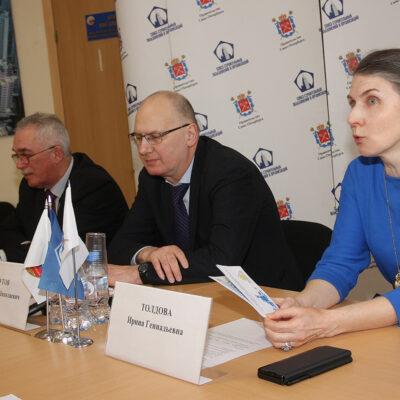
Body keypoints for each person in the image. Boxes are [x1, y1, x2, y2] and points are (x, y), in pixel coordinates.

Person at [264, 48, 400, 351]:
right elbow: (341, 262)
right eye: (352, 103)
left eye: (372, 101)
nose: (353, 117)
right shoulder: (361, 173)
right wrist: (302, 304)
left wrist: (325, 322)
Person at [108, 90, 303, 290]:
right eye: (138, 137)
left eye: (155, 137)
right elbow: (120, 245)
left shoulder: (232, 174)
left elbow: (221, 262)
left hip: (264, 296)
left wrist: (141, 273)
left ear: (190, 135)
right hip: (197, 293)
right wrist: (148, 253)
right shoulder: (152, 179)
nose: (143, 149)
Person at [0, 112, 128, 262]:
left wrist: (31, 248)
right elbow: (8, 231)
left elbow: (68, 254)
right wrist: (30, 247)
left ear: (57, 154)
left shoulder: (95, 187)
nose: (19, 164)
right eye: (17, 156)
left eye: (26, 155)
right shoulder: (30, 186)